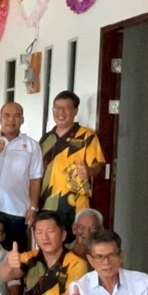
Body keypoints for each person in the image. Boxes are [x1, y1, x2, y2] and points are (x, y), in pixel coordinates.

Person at [0, 102, 43, 253]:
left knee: (16, 254)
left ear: (22, 120)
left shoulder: (32, 145)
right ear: (0, 119)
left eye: (16, 116)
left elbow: (35, 178)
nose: (11, 120)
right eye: (6, 115)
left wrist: (33, 207)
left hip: (17, 210)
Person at [39, 91, 106, 233]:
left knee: (75, 246)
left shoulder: (86, 135)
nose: (61, 112)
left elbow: (98, 164)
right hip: (46, 203)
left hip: (75, 204)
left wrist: (88, 171)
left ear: (75, 111)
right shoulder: (46, 139)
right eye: (57, 107)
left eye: (66, 108)